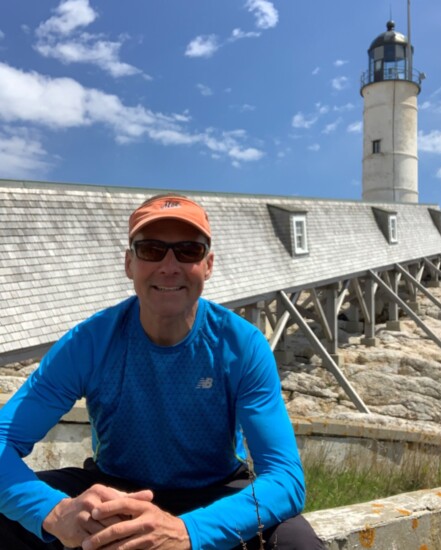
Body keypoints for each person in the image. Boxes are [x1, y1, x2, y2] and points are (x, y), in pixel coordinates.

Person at [0, 194, 325, 550]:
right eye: (152, 249)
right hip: (114, 489)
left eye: (188, 250)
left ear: (209, 264)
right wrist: (54, 511)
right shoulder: (89, 341)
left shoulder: (242, 345)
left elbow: (285, 478)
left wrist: (189, 532)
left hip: (213, 492)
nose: (169, 266)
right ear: (129, 263)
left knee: (296, 542)